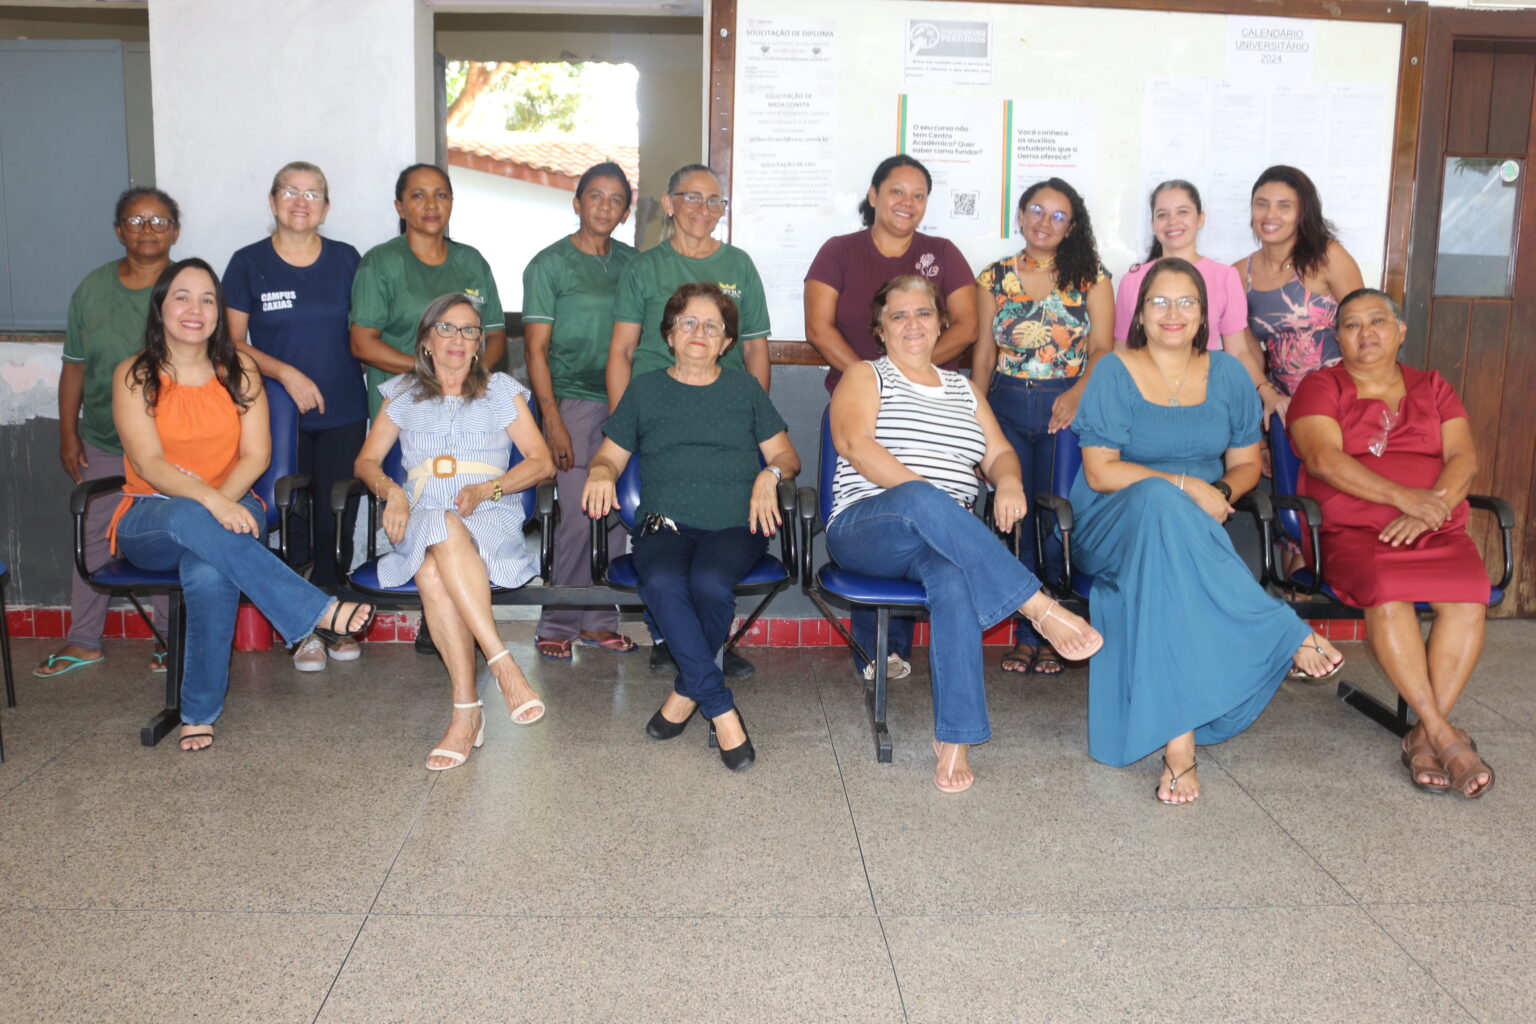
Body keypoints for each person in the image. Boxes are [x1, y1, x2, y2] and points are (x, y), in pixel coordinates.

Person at [1068, 257, 1345, 804]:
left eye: (1187, 302)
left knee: (1172, 573)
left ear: (1205, 315)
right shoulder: (1113, 371)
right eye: (1160, 302)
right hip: (1112, 523)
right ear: (1141, 314)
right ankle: (1280, 627)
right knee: (1156, 498)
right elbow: (1101, 472)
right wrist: (1186, 486)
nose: (1174, 313)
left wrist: (1216, 492)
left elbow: (1245, 466)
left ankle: (1179, 750)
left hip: (1192, 529)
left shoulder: (1229, 374)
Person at [828, 275, 1103, 794]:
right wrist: (928, 499)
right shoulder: (866, 375)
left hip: (942, 539)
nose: (913, 324)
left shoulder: (964, 388)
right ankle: (1039, 607)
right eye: (899, 315)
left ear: (940, 324)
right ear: (880, 329)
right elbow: (855, 444)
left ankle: (954, 739)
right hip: (867, 528)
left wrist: (1009, 482)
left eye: (924, 313)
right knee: (922, 497)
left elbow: (998, 452)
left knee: (953, 578)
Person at [107, 258, 375, 752]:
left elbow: (257, 456)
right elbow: (147, 463)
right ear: (161, 306)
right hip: (152, 516)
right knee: (187, 514)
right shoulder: (134, 374)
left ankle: (197, 712)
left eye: (208, 299)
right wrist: (210, 502)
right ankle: (315, 609)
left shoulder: (241, 370)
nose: (196, 309)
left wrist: (218, 502)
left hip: (233, 504)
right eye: (182, 297)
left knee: (209, 571)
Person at [584, 283, 798, 773]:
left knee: (709, 581)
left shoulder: (744, 389)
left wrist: (770, 474)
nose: (699, 332)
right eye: (688, 323)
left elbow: (786, 455)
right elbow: (609, 457)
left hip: (735, 525)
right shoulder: (646, 390)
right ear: (670, 335)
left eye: (712, 326)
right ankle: (720, 707)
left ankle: (685, 693)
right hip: (665, 525)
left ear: (726, 343)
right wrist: (600, 471)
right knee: (659, 580)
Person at [1288, 288, 1494, 798]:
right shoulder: (1321, 386)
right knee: (1388, 589)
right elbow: (1323, 461)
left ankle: (1424, 736)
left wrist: (1433, 509)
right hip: (1353, 533)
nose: (1366, 333)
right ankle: (1444, 734)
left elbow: (1463, 459)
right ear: (1337, 338)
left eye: (1378, 321)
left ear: (1400, 331)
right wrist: (1407, 500)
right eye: (1352, 325)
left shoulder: (1434, 387)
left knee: (1469, 597)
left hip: (1434, 526)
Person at [353, 294, 554, 771]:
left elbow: (542, 462)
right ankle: (502, 663)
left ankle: (466, 712)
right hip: (419, 509)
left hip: (487, 511)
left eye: (469, 331)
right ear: (425, 341)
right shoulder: (401, 393)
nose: (458, 340)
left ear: (480, 343)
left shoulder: (502, 390)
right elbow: (365, 461)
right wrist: (392, 492)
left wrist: (491, 487)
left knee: (430, 567)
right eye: (446, 328)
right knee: (436, 529)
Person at [806, 154, 979, 683]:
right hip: (858, 402)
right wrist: (875, 375)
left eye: (918, 194)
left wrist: (912, 368)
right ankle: (876, 650)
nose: (907, 202)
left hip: (931, 408)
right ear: (874, 194)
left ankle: (894, 646)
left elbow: (968, 325)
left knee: (922, 513)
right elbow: (818, 327)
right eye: (896, 191)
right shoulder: (839, 251)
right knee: (872, 504)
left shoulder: (942, 253)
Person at [607, 163, 770, 678]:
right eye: (692, 198)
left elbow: (758, 353)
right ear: (669, 203)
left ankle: (696, 648)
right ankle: (672, 637)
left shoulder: (740, 265)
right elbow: (622, 350)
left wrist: (748, 417)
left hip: (721, 409)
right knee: (666, 532)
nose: (704, 209)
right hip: (658, 414)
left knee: (717, 535)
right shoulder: (643, 268)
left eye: (715, 201)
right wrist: (622, 427)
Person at [350, 162, 506, 655]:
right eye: (418, 196)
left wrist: (472, 379)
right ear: (400, 207)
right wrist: (430, 375)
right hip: (407, 411)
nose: (431, 205)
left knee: (464, 507)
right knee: (422, 502)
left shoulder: (473, 262)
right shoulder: (380, 262)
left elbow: (495, 335)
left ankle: (449, 617)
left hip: (468, 404)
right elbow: (363, 342)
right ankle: (455, 623)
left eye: (441, 194)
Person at [224, 161, 366, 671]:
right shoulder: (247, 263)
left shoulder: (348, 260)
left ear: (326, 207)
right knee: (291, 517)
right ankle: (302, 627)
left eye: (313, 193)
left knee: (338, 515)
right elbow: (231, 343)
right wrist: (286, 373)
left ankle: (335, 618)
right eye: (290, 190)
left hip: (345, 411)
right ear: (272, 200)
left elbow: (367, 329)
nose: (300, 201)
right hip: (277, 415)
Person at [973, 178, 1112, 677]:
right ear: (1020, 215)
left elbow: (1102, 349)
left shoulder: (1090, 275)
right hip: (1006, 403)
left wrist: (1076, 393)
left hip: (1065, 407)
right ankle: (1029, 633)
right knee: (1017, 522)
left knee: (1058, 522)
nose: (1044, 221)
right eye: (1036, 210)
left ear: (1071, 225)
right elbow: (985, 354)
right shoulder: (994, 277)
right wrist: (977, 416)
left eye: (1058, 215)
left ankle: (1064, 623)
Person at [38, 188, 175, 680]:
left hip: (171, 446)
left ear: (175, 232)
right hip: (102, 438)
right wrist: (68, 435)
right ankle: (84, 641)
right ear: (119, 230)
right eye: (135, 220)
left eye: (159, 221)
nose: (147, 229)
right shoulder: (92, 289)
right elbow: (73, 368)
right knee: (91, 535)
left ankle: (169, 639)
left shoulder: (187, 287)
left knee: (164, 535)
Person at [523, 162, 640, 661]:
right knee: (575, 512)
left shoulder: (636, 263)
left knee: (615, 508)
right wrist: (551, 419)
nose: (605, 207)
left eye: (616, 200)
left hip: (626, 401)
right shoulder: (549, 264)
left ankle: (599, 617)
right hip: (569, 400)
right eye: (595, 196)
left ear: (626, 210)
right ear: (577, 202)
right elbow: (534, 350)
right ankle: (558, 616)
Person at [1114, 179, 1267, 403]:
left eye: (1182, 212)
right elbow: (1122, 349)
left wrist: (1266, 391)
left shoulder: (1224, 277)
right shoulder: (1133, 280)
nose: (1172, 222)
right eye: (1162, 214)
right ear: (1153, 223)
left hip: (1206, 395)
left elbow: (1239, 353)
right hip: (1144, 395)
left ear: (1201, 218)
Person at [1234, 165, 1364, 421]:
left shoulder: (1328, 257)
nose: (1270, 215)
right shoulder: (1239, 273)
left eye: (1284, 206)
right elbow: (1246, 353)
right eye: (1261, 204)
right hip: (1282, 405)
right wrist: (1267, 396)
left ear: (1302, 212)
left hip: (1343, 399)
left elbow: (1365, 326)